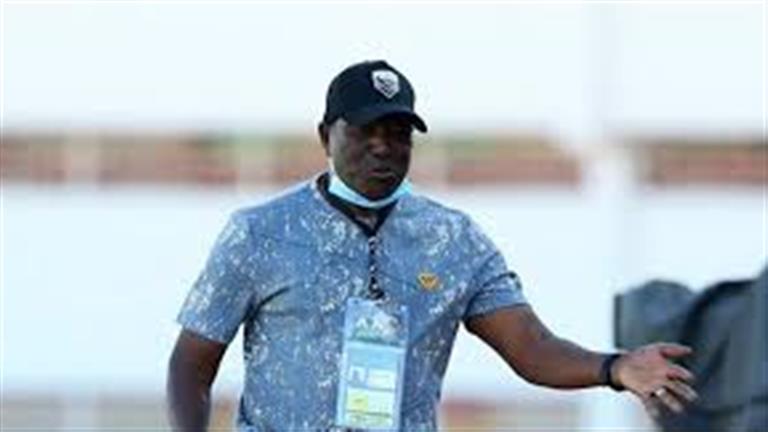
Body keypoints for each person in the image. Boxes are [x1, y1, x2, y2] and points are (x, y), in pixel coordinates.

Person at [167, 60, 697, 431]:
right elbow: (192, 364)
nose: (383, 146)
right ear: (326, 135)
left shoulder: (454, 239)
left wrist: (615, 368)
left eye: (398, 132)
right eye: (366, 130)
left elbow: (530, 346)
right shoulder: (259, 232)